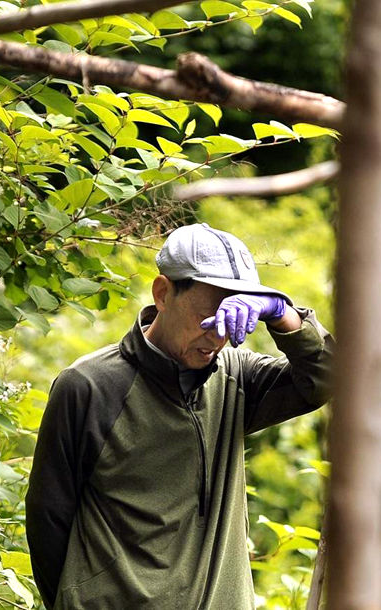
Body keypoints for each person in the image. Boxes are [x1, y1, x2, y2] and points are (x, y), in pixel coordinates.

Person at [25, 223, 334, 609]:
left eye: (231, 318)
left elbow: (328, 378)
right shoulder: (87, 386)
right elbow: (48, 523)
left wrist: (281, 314)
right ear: (163, 293)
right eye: (208, 316)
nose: (217, 336)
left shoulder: (236, 378)